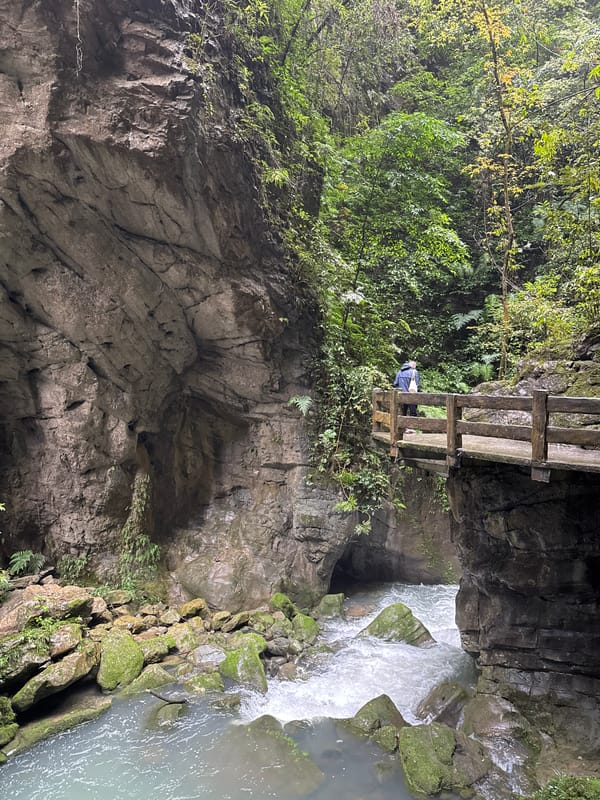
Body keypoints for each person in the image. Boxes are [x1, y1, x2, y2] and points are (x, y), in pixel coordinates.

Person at [393, 359, 420, 431]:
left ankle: (403, 428)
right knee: (412, 412)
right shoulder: (414, 372)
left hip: (401, 396)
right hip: (412, 396)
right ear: (413, 366)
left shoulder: (399, 372)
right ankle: (411, 428)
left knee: (403, 412)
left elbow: (395, 384)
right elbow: (417, 385)